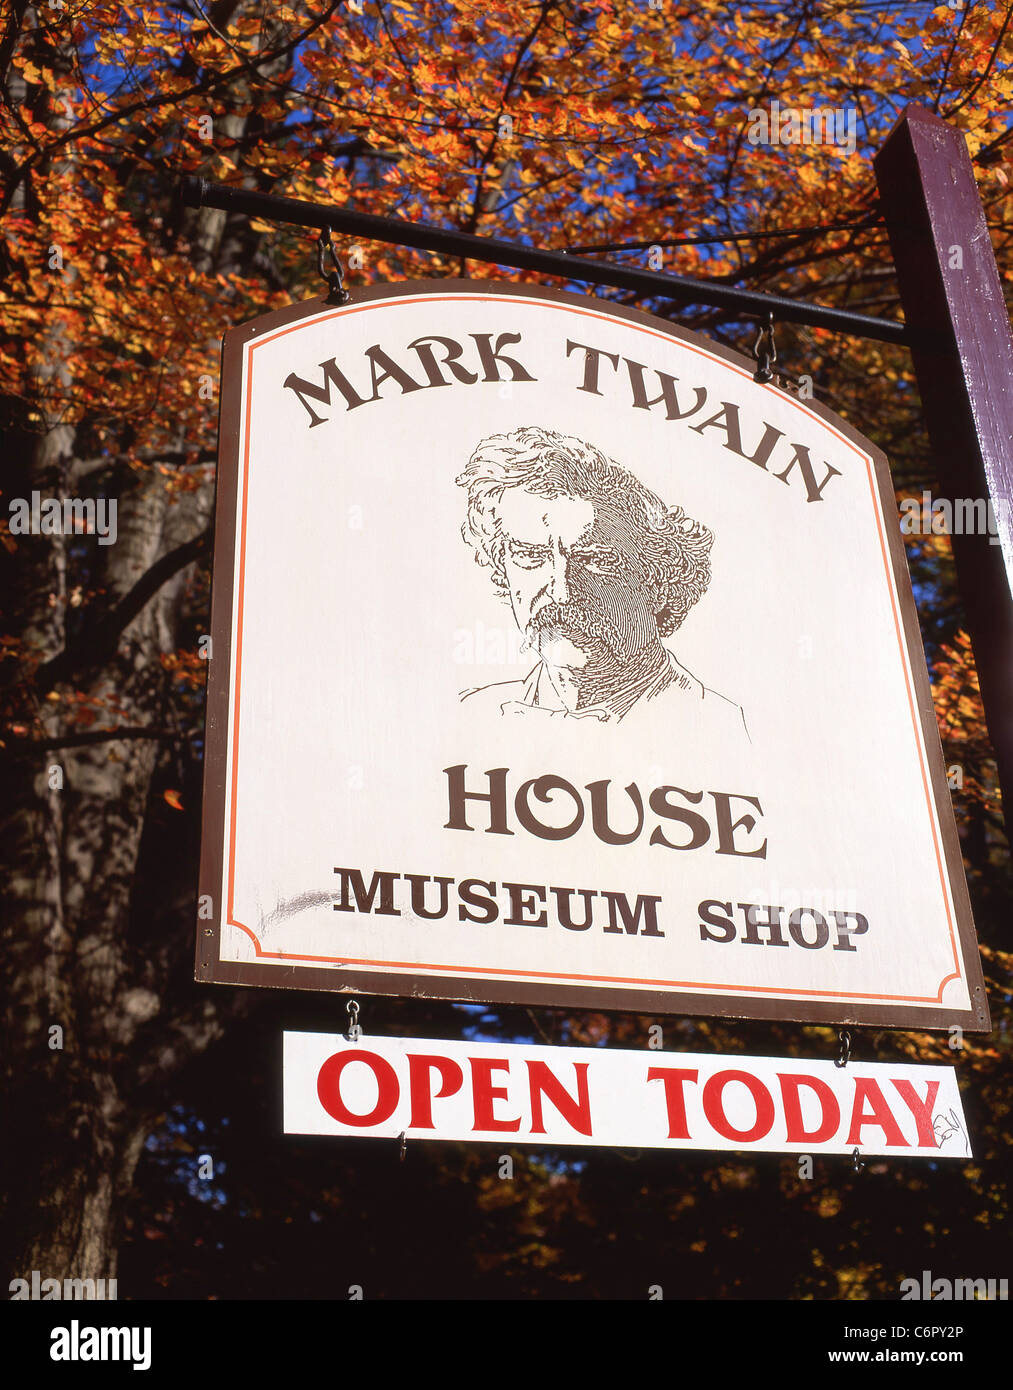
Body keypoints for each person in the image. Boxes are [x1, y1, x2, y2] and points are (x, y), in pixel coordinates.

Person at [455, 425, 748, 737]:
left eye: (595, 561)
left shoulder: (725, 730)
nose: (561, 592)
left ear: (658, 585)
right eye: (529, 555)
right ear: (501, 564)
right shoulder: (471, 714)